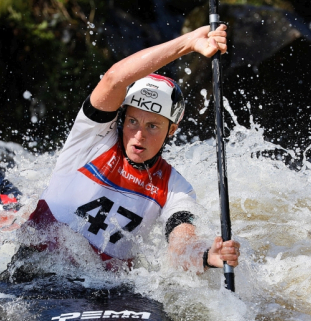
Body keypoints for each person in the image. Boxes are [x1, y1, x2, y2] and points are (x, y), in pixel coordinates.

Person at [21, 24, 240, 274]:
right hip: (35, 263)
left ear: (172, 131)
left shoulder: (175, 188)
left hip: (103, 288)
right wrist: (188, 43)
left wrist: (204, 255)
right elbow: (115, 78)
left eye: (153, 126)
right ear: (122, 119)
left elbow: (181, 244)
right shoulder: (93, 137)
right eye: (133, 121)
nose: (139, 135)